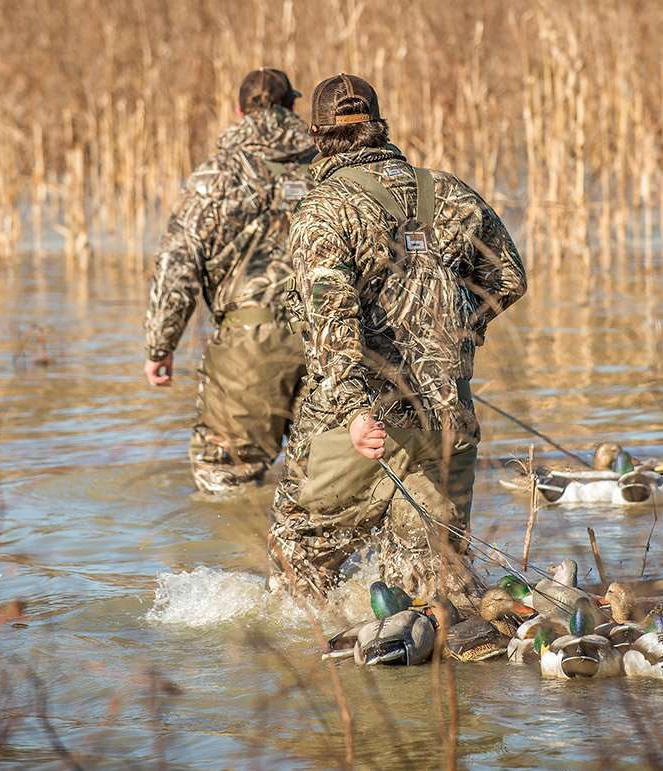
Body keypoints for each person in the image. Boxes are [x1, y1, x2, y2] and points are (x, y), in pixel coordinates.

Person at [268, 73, 527, 600]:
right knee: (435, 596)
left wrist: (359, 410)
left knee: (299, 572)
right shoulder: (450, 194)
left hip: (353, 427)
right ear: (380, 127)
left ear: (317, 138)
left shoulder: (324, 210)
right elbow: (509, 278)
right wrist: (457, 329)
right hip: (444, 420)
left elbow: (332, 319)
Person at [143, 68, 316, 495]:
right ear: (293, 106)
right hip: (331, 339)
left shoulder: (215, 176)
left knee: (227, 487)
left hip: (247, 347)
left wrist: (160, 347)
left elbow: (177, 265)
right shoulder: (328, 166)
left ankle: (239, 562)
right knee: (329, 489)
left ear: (239, 112)